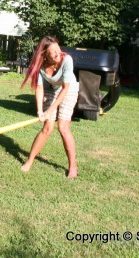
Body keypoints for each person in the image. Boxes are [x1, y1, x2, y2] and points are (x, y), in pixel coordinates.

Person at [20, 36, 80, 178]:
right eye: (52, 51)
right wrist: (40, 111)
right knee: (47, 127)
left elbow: (65, 89)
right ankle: (29, 161)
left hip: (69, 89)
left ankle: (73, 166)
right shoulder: (41, 67)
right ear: (45, 55)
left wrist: (50, 110)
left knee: (63, 128)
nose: (57, 53)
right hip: (51, 89)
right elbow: (39, 89)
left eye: (57, 49)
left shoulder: (67, 60)